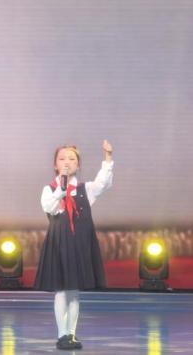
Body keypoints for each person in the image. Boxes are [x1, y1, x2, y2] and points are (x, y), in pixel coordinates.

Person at [34, 140, 114, 350]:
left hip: (79, 243)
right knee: (61, 290)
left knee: (74, 292)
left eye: (71, 159)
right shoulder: (49, 189)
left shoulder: (84, 189)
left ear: (78, 165)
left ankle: (71, 333)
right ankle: (62, 334)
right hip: (59, 243)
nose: (67, 162)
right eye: (62, 159)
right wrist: (61, 189)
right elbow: (49, 207)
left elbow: (103, 183)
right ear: (55, 165)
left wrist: (108, 158)